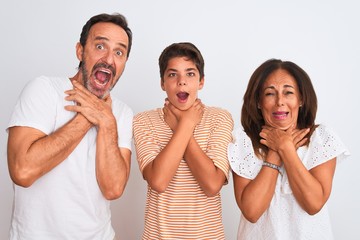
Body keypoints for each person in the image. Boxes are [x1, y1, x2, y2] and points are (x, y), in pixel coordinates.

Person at [6, 13, 133, 239]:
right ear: (80, 51)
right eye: (100, 46)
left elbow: (113, 189)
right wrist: (89, 116)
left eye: (119, 52)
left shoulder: (121, 113)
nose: (109, 59)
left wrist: (107, 123)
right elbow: (22, 171)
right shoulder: (43, 90)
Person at [228, 58, 350, 240]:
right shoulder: (242, 140)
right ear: (259, 102)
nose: (280, 102)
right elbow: (251, 212)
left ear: (301, 99)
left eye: (288, 93)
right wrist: (275, 153)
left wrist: (286, 148)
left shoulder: (321, 137)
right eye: (270, 94)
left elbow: (313, 204)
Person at [133, 42, 233, 239]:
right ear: (162, 83)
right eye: (172, 74)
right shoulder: (143, 121)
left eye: (190, 74)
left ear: (201, 81)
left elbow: (212, 185)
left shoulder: (220, 118)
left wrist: (180, 125)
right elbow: (159, 181)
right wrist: (186, 126)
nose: (181, 82)